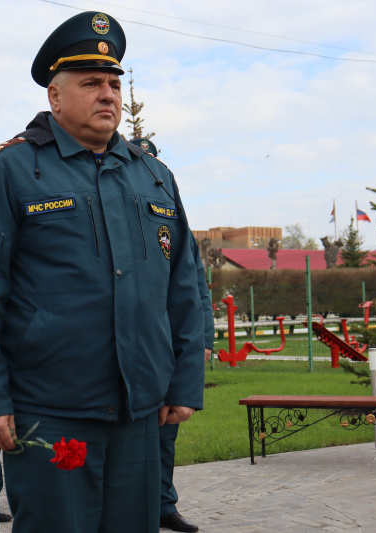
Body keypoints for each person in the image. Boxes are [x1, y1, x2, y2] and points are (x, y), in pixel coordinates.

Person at [0, 11, 206, 532]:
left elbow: (182, 284)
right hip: (50, 408)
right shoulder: (13, 168)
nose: (108, 94)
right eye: (91, 83)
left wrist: (184, 382)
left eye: (114, 83)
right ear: (55, 96)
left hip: (139, 410)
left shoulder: (153, 175)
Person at [129, 137, 214, 532]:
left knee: (166, 436)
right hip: (137, 343)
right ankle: (143, 504)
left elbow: (196, 290)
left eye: (152, 159)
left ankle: (163, 503)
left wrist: (206, 341)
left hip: (168, 347)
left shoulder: (172, 224)